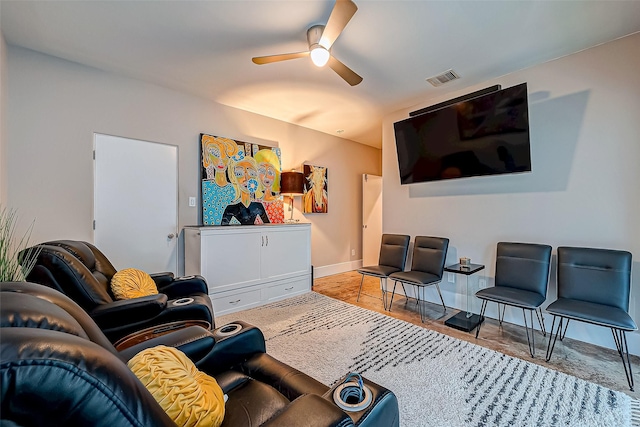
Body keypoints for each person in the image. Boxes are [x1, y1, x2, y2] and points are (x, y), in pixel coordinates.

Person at [221, 157, 270, 225]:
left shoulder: (258, 206)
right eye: (239, 174)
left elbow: (268, 227)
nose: (246, 179)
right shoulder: (230, 209)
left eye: (252, 174)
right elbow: (222, 231)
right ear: (234, 178)